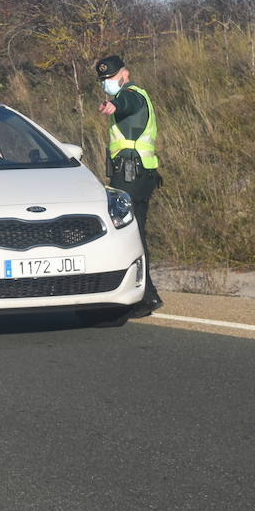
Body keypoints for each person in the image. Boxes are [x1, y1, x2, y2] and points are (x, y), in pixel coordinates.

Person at [96, 54, 163, 317]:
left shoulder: (132, 94)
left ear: (125, 74)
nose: (106, 83)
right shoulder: (133, 95)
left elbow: (126, 103)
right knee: (136, 234)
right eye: (102, 80)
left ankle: (144, 298)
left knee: (131, 236)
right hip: (135, 174)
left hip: (132, 174)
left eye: (110, 77)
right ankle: (147, 294)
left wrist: (114, 105)